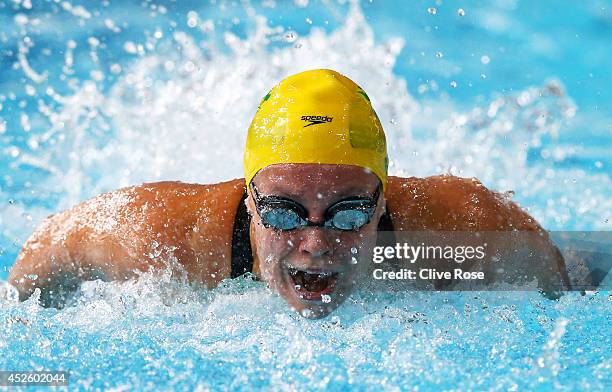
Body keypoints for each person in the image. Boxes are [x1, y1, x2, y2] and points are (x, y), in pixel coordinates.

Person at [9, 69, 571, 318]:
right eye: (282, 211)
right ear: (250, 203)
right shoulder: (164, 239)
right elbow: (52, 247)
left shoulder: (453, 235)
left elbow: (559, 285)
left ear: (380, 205)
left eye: (349, 213)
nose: (315, 243)